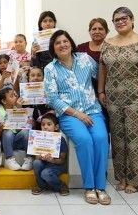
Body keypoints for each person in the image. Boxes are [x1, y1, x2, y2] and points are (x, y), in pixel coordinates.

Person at [44, 30, 110, 205]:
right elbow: (52, 98)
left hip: (93, 110)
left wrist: (102, 91)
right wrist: (77, 114)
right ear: (53, 47)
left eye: (65, 41)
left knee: (102, 139)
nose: (62, 45)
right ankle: (89, 186)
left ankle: (100, 187)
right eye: (58, 42)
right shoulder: (50, 69)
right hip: (69, 114)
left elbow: (101, 73)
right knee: (85, 140)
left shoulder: (85, 59)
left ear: (71, 43)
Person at [98, 7, 138, 194]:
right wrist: (101, 91)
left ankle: (135, 180)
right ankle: (121, 177)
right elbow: (102, 68)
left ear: (132, 20)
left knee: (136, 139)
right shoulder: (108, 44)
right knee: (117, 139)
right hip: (113, 98)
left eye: (124, 18)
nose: (120, 22)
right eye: (116, 19)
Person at [31, 113, 69, 196]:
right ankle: (41, 186)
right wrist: (40, 157)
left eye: (49, 124)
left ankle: (61, 186)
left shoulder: (60, 140)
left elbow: (62, 160)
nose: (45, 127)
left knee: (45, 173)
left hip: (57, 165)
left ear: (56, 127)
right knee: (36, 162)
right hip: (44, 163)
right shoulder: (39, 138)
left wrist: (52, 160)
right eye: (43, 124)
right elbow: (36, 156)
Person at [0, 86, 32, 171]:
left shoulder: (17, 108)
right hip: (6, 142)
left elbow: (21, 129)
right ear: (4, 101)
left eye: (15, 95)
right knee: (8, 132)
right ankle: (9, 158)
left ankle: (29, 158)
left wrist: (20, 110)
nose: (15, 97)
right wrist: (1, 127)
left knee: (25, 131)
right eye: (11, 96)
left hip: (17, 141)